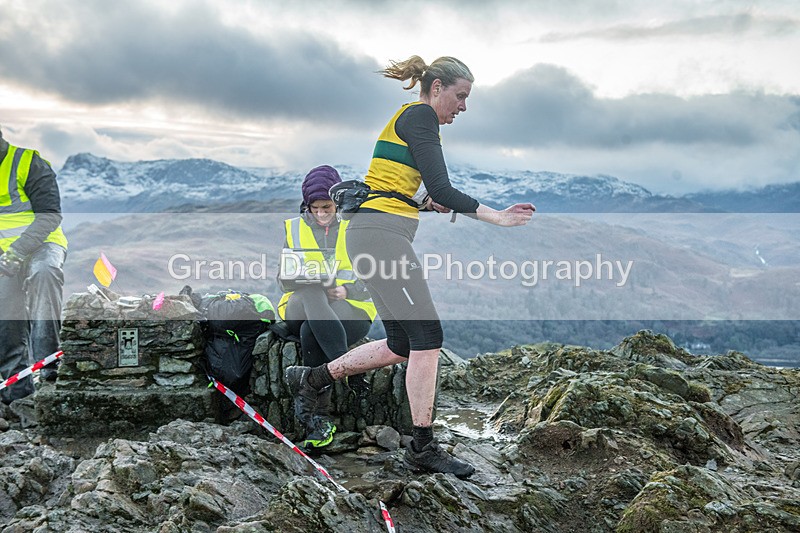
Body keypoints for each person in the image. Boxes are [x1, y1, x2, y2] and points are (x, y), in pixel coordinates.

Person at [285, 56, 535, 477]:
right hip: (380, 236)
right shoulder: (421, 117)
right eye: (460, 96)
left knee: (402, 342)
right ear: (436, 88)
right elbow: (442, 186)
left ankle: (312, 379)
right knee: (429, 336)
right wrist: (499, 217)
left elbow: (395, 185)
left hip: (371, 232)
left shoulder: (405, 117)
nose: (463, 107)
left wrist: (420, 202)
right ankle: (422, 447)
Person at [278, 165, 377, 448]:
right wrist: (301, 279)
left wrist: (348, 289)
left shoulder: (356, 227)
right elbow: (282, 280)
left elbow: (377, 276)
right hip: (299, 305)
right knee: (311, 292)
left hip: (350, 309)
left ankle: (318, 421)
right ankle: (350, 371)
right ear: (306, 205)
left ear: (337, 203)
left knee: (313, 331)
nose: (321, 213)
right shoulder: (293, 228)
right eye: (315, 208)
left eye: (327, 207)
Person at [0, 126, 68, 404]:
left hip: (44, 244)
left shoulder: (28, 162)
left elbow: (50, 215)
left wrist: (19, 249)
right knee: (7, 314)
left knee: (44, 274)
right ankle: (16, 395)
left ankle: (48, 367)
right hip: (4, 253)